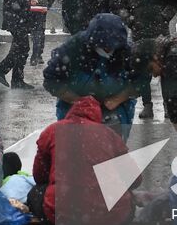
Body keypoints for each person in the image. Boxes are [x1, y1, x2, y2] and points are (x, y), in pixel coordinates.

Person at [32, 95, 132, 225]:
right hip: (109, 218)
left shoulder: (52, 131)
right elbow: (134, 180)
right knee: (128, 200)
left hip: (62, 215)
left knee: (36, 193)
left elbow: (39, 176)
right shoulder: (110, 135)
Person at [42, 13, 147, 141]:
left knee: (112, 147)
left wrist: (117, 99)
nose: (109, 50)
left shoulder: (127, 52)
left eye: (113, 47)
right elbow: (51, 81)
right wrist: (79, 101)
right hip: (74, 109)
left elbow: (141, 82)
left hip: (117, 109)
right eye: (105, 47)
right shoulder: (72, 49)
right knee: (74, 147)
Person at [123, 0, 177, 119]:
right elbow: (121, 4)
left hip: (159, 32)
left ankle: (167, 105)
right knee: (143, 71)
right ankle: (147, 105)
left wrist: (163, 17)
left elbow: (173, 3)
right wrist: (131, 20)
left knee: (163, 70)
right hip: (140, 33)